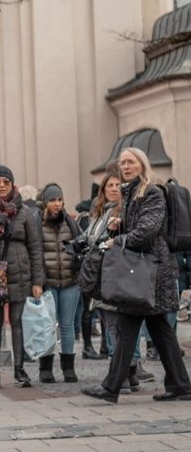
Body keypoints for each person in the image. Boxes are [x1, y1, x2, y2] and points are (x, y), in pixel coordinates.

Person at [82, 147, 191, 403]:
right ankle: (181, 384)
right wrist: (120, 224)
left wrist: (116, 241)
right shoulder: (131, 193)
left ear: (142, 165)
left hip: (150, 272)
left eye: (131, 162)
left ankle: (111, 387)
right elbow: (140, 228)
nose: (126, 167)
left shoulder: (151, 192)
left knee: (129, 326)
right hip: (143, 270)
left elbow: (147, 232)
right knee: (160, 329)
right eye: (123, 163)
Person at [0, 164, 45, 389]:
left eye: (6, 182)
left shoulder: (24, 211)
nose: (2, 186)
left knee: (17, 322)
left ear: (12, 184)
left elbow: (35, 247)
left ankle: (19, 369)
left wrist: (37, 281)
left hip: (19, 270)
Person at [38, 182, 82, 383]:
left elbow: (81, 245)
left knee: (67, 325)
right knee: (47, 326)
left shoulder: (71, 223)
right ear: (45, 202)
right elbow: (35, 253)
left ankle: (68, 368)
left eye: (59, 199)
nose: (57, 204)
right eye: (52, 200)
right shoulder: (37, 223)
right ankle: (45, 368)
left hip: (70, 281)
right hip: (48, 283)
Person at [78, 171, 121, 360]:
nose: (113, 189)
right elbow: (91, 238)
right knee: (109, 324)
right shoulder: (98, 212)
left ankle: (125, 372)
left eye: (117, 185)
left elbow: (118, 242)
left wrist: (102, 242)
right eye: (109, 185)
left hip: (116, 275)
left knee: (117, 328)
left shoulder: (123, 211)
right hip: (98, 275)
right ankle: (125, 372)